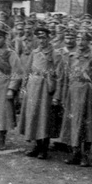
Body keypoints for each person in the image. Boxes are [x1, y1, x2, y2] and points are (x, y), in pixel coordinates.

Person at [58, 30, 92, 166]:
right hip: (73, 93)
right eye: (78, 39)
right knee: (73, 124)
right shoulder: (72, 56)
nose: (80, 42)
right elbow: (66, 78)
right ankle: (75, 153)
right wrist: (65, 96)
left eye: (83, 40)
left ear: (89, 42)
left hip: (86, 93)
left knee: (86, 124)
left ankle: (86, 156)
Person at [20, 27, 59, 159]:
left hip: (45, 88)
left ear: (49, 38)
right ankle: (36, 145)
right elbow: (27, 70)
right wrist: (24, 87)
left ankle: (44, 148)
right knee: (34, 116)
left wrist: (56, 94)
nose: (41, 40)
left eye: (44, 37)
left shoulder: (54, 53)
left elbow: (59, 74)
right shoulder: (34, 52)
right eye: (39, 38)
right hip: (33, 87)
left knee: (44, 117)